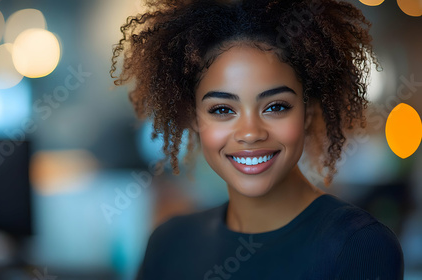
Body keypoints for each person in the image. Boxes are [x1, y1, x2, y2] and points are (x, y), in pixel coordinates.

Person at [110, 0, 404, 279]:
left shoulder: (358, 245)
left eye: (276, 106)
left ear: (309, 114)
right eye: (223, 109)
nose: (250, 132)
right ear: (195, 120)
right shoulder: (168, 243)